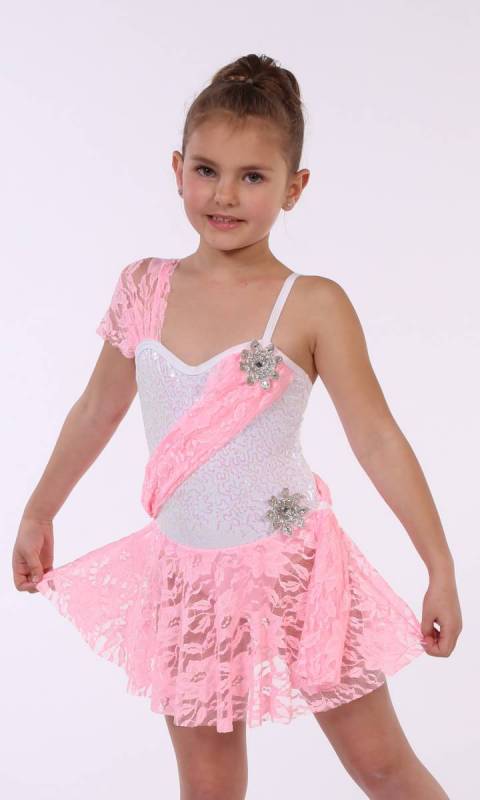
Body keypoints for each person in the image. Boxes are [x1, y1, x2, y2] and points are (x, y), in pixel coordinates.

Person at [13, 52, 461, 799]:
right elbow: (97, 407)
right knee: (208, 782)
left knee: (381, 766)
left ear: (295, 187)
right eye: (206, 170)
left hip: (300, 572)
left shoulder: (313, 304)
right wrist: (38, 510)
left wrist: (438, 565)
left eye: (253, 176)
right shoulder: (144, 288)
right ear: (177, 169)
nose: (224, 195)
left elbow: (377, 437)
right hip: (188, 579)